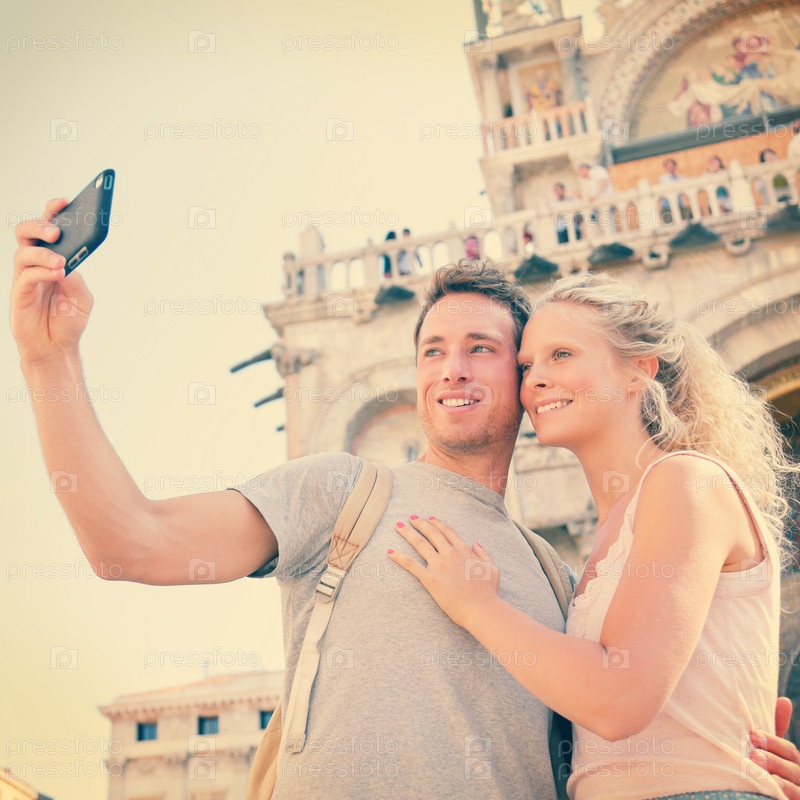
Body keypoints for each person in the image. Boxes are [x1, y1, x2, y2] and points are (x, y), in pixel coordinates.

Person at [10, 205, 800, 798]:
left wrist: (734, 765)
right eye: (432, 351)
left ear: (521, 384)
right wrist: (50, 360)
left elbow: (614, 718)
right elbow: (130, 543)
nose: (452, 369)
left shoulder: (562, 577)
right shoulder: (341, 490)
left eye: (484, 350)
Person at [390, 272, 800, 800]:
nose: (535, 380)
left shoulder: (685, 480)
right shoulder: (612, 529)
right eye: (527, 366)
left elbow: (618, 699)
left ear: (638, 372)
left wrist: (478, 607)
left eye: (561, 355)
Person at [658, 157, 691, 222]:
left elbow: (688, 182)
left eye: (671, 166)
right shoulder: (663, 179)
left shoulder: (679, 178)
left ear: (674, 166)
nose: (670, 168)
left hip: (679, 206)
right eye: (668, 166)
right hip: (667, 208)